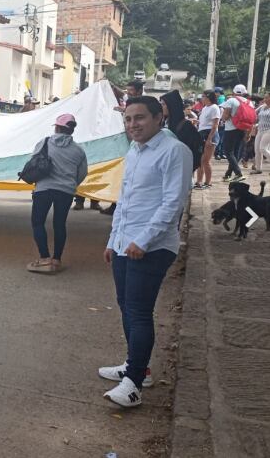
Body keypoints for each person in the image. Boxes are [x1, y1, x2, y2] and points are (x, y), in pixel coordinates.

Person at [100, 95, 192, 408]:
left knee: (138, 311)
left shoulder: (174, 151)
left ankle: (134, 384)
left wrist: (144, 240)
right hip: (126, 242)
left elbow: (172, 203)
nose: (132, 125)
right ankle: (137, 367)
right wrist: (114, 239)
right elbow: (124, 200)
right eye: (128, 119)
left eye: (139, 118)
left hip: (151, 247)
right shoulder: (135, 151)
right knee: (126, 305)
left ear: (158, 118)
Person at [27, 114, 88, 274]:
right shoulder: (79, 150)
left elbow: (34, 161)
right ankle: (57, 260)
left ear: (57, 127)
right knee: (59, 224)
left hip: (43, 189)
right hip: (66, 191)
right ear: (72, 130)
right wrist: (70, 184)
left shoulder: (44, 142)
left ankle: (44, 258)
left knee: (38, 222)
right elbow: (82, 173)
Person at [160, 90, 202, 174]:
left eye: (163, 104)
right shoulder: (163, 123)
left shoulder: (186, 126)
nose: (161, 107)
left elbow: (194, 150)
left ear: (172, 105)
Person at [219, 84, 250, 182]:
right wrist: (248, 133)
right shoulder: (249, 102)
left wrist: (225, 118)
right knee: (235, 153)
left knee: (228, 151)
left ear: (234, 92)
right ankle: (228, 175)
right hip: (243, 129)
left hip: (231, 129)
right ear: (244, 92)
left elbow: (225, 116)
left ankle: (238, 173)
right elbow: (251, 119)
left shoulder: (231, 100)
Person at [195, 90, 221, 188]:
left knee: (205, 160)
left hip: (209, 134)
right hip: (202, 133)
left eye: (203, 96)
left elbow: (215, 124)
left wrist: (210, 139)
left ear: (208, 97)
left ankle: (208, 182)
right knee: (200, 160)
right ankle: (199, 181)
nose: (202, 98)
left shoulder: (214, 108)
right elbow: (204, 122)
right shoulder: (205, 108)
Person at [253, 92, 270, 174]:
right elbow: (253, 113)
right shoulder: (262, 107)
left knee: (263, 148)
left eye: (267, 98)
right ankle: (258, 169)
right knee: (257, 150)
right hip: (260, 130)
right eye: (265, 98)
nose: (265, 99)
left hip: (268, 130)